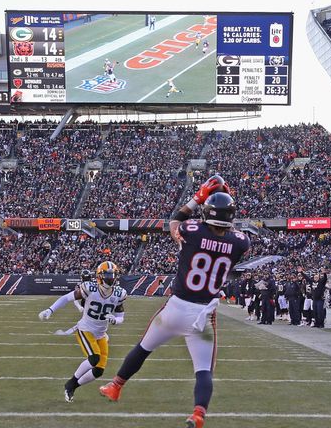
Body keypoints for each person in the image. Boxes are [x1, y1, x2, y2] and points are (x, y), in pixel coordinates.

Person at [99, 176, 250, 428]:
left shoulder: (193, 231)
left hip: (175, 308)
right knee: (203, 370)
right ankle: (198, 414)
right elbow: (233, 231)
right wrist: (225, 201)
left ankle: (115, 386)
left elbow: (174, 221)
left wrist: (197, 198)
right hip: (203, 315)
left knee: (143, 348)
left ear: (206, 212)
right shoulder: (240, 242)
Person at [38, 261, 127, 402]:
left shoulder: (119, 293)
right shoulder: (89, 288)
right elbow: (67, 297)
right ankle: (71, 383)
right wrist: (50, 309)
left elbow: (121, 316)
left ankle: (72, 386)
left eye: (113, 275)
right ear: (99, 276)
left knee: (99, 370)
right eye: (108, 275)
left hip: (101, 333)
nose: (111, 278)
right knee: (94, 359)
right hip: (85, 329)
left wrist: (115, 320)